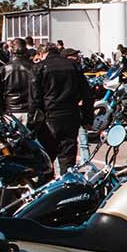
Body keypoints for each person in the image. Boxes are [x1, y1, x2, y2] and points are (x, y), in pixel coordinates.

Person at [33, 42, 93, 172]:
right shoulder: (73, 66)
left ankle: (47, 182)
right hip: (71, 115)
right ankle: (67, 180)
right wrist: (88, 118)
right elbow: (87, 94)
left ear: (42, 53)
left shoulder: (40, 67)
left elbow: (35, 98)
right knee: (68, 156)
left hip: (49, 116)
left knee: (46, 158)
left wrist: (33, 121)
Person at [0, 39, 37, 125]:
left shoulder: (2, 70)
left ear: (11, 50)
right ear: (25, 49)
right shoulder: (35, 68)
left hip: (10, 111)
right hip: (30, 110)